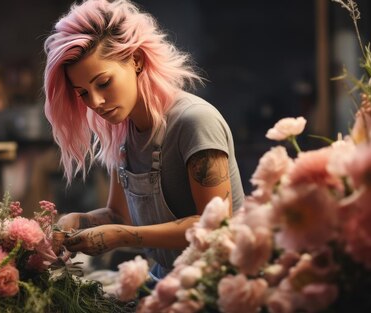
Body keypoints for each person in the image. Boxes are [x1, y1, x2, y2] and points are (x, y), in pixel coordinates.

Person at [43, 0, 244, 280]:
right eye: (83, 93)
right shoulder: (121, 131)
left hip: (221, 285)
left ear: (136, 60)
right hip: (167, 280)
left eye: (103, 83)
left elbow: (216, 227)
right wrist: (75, 221)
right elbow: (118, 217)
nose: (96, 102)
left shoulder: (195, 121)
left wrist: (123, 237)